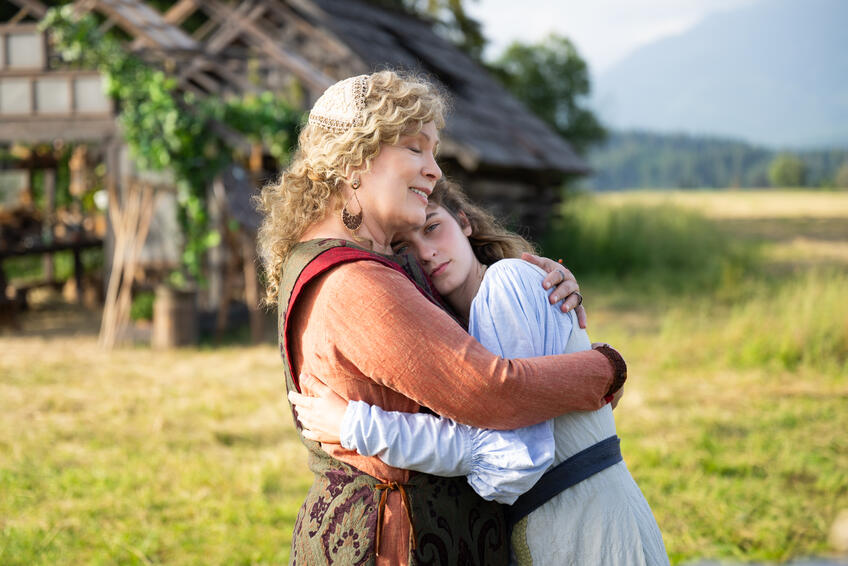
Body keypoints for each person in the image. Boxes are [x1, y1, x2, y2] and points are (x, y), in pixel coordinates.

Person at [257, 70, 627, 566]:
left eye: (433, 151)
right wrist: (605, 368)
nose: (434, 169)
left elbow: (480, 334)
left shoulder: (379, 264)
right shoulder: (357, 282)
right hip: (396, 542)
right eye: (415, 148)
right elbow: (491, 391)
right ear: (355, 161)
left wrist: (537, 292)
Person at [290, 179, 669, 565]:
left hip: (592, 528)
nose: (427, 253)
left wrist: (359, 426)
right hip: (548, 531)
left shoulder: (507, 283)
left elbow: (513, 456)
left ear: (464, 222)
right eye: (406, 248)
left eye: (433, 228)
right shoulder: (456, 330)